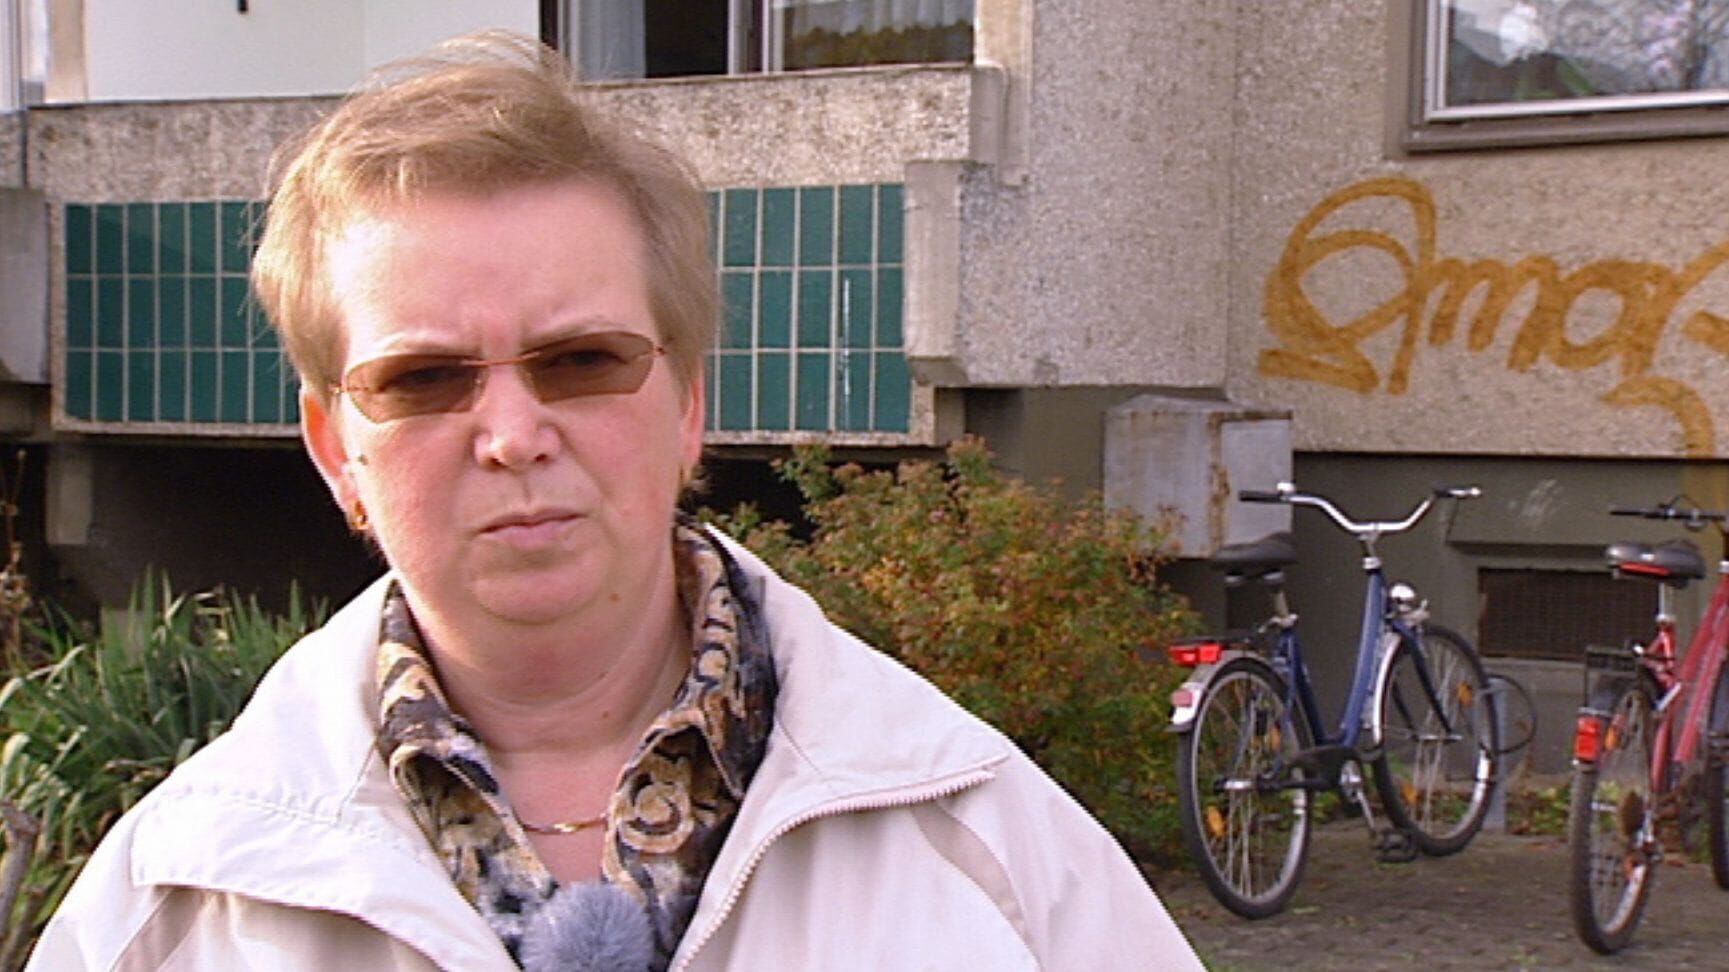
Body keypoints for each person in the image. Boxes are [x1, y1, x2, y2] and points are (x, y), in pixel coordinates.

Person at [30, 30, 1202, 971]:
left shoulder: (990, 851)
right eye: (423, 379)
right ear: (337, 448)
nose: (512, 435)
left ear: (686, 406)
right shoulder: (172, 907)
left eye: (582, 360)